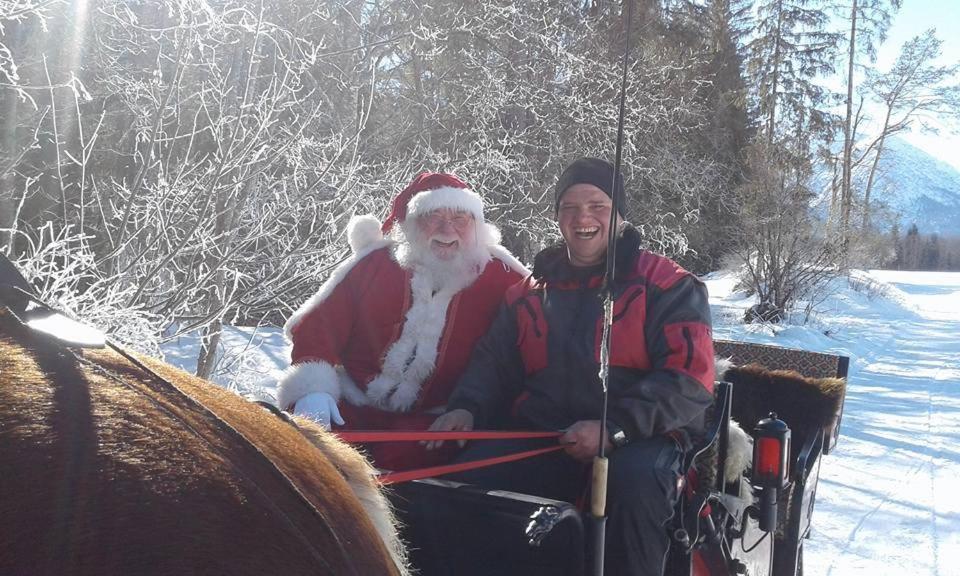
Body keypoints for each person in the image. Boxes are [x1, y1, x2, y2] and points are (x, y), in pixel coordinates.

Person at [429, 157, 716, 575]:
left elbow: (689, 379)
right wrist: (465, 407)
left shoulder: (668, 285)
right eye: (570, 207)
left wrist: (614, 428)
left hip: (641, 437)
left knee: (634, 487)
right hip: (545, 433)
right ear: (558, 217)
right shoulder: (527, 293)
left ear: (619, 215)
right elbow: (493, 362)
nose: (583, 217)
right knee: (459, 485)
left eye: (597, 205)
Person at [279, 172, 527, 471]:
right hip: (352, 405)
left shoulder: (503, 277)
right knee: (297, 451)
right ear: (410, 224)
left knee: (401, 467)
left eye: (461, 218)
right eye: (432, 216)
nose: (447, 229)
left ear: (477, 226)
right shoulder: (374, 264)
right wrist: (313, 391)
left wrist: (471, 408)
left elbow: (524, 346)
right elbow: (320, 326)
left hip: (433, 421)